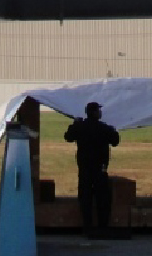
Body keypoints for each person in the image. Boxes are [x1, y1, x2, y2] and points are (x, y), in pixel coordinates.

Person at [64, 100, 121, 236]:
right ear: (95, 113)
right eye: (98, 110)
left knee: (85, 198)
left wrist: (74, 124)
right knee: (103, 198)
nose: (100, 112)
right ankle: (102, 227)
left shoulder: (80, 127)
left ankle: (87, 227)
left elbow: (68, 137)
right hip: (100, 168)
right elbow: (115, 141)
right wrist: (113, 130)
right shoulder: (104, 128)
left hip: (84, 168)